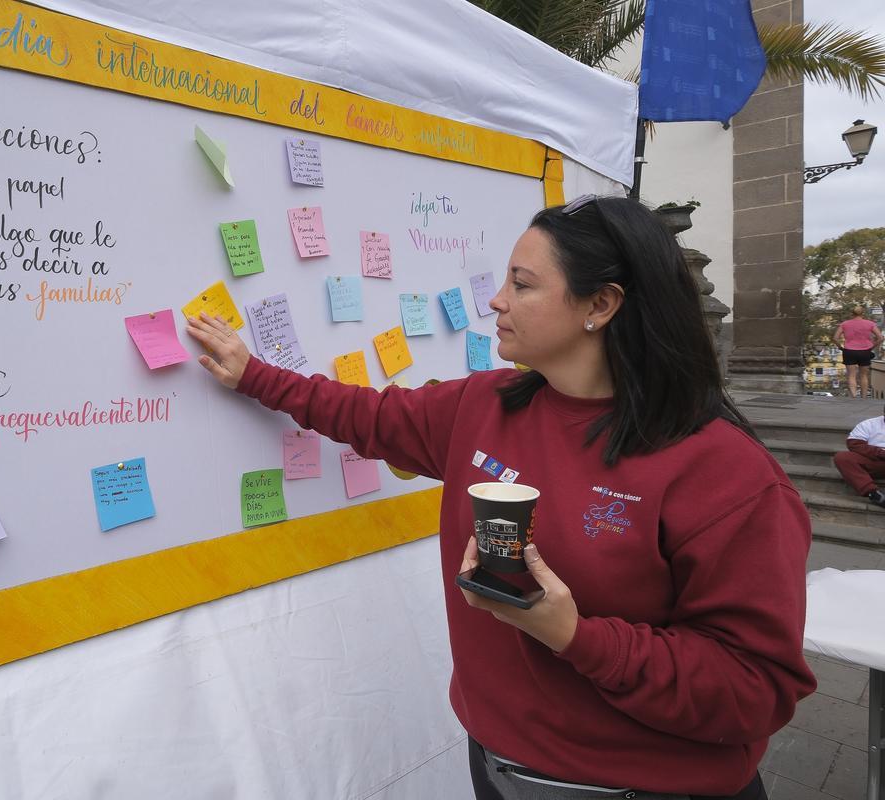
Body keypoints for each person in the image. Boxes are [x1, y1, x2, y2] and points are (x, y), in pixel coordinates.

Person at [186, 195, 816, 800]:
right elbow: (366, 416)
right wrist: (254, 374)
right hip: (497, 763)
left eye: (522, 284)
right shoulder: (484, 406)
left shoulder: (724, 473)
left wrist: (574, 635)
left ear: (600, 303)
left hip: (640, 786)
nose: (495, 300)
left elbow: (754, 688)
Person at [833, 404, 885, 508]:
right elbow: (854, 444)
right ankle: (874, 494)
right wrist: (880, 453)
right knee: (842, 458)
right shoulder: (869, 424)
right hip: (875, 462)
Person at [833, 306, 883, 398]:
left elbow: (835, 338)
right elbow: (880, 337)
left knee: (851, 375)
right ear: (862, 313)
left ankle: (854, 397)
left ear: (852, 313)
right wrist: (871, 347)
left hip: (849, 351)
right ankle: (863, 397)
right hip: (865, 351)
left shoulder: (845, 324)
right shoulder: (870, 324)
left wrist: (840, 347)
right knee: (863, 375)